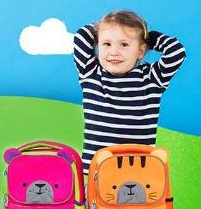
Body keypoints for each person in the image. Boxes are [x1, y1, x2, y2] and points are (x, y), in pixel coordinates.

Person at [73, 9, 187, 176]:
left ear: (140, 51)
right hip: (98, 170)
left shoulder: (151, 78)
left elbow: (176, 51)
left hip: (140, 169)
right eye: (106, 44)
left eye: (124, 44)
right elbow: (81, 36)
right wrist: (102, 27)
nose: (114, 52)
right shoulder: (91, 73)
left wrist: (146, 37)